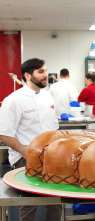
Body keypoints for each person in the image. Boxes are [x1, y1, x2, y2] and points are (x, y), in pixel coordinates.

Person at [0, 58, 62, 221]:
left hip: (51, 156)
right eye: (40, 72)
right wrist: (25, 152)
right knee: (29, 203)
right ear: (27, 75)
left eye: (46, 71)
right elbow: (4, 133)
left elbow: (53, 128)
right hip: (25, 158)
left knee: (55, 200)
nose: (45, 75)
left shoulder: (47, 97)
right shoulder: (14, 100)